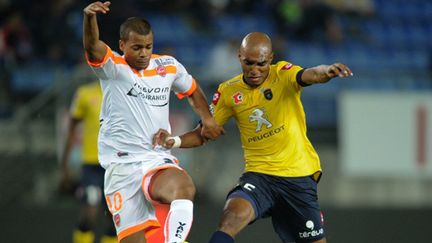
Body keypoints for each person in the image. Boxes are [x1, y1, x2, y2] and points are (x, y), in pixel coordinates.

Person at [154, 32, 353, 243]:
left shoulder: (284, 75)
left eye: (261, 64)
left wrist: (328, 71)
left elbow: (312, 74)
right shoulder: (229, 92)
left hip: (298, 177)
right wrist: (174, 141)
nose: (255, 70)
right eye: (249, 63)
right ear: (239, 57)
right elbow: (203, 133)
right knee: (231, 217)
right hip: (260, 176)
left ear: (271, 58)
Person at [82, 2, 224, 243]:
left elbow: (191, 89)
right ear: (122, 45)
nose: (144, 53)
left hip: (155, 157)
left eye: (148, 47)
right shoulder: (113, 68)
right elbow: (92, 46)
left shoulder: (167, 66)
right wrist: (89, 18)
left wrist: (207, 119)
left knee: (184, 188)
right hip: (122, 166)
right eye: (137, 47)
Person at [60, 80, 117, 243]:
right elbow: (71, 129)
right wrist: (65, 165)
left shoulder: (125, 92)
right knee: (89, 212)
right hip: (92, 164)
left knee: (114, 217)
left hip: (116, 165)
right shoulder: (85, 93)